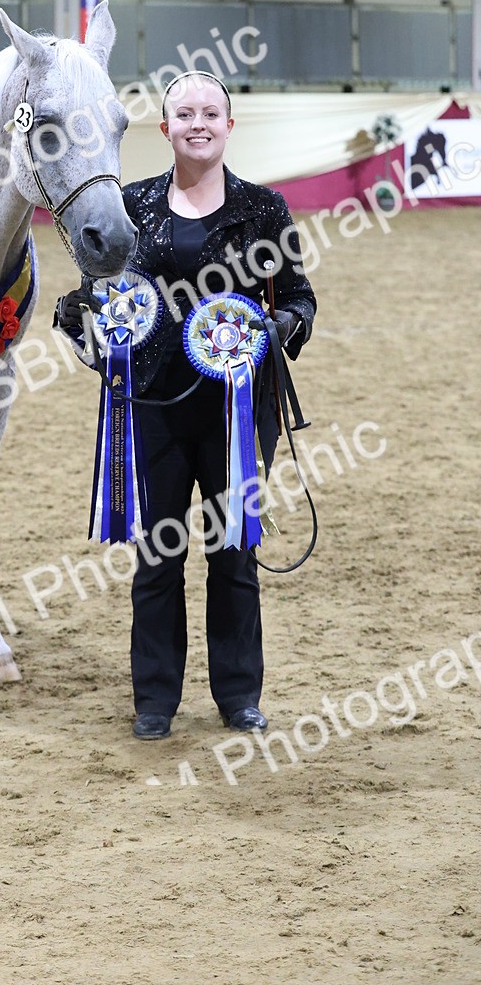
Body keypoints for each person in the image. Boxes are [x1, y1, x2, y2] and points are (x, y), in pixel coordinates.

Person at [55, 72, 316, 740]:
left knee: (234, 555)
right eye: (185, 113)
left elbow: (299, 297)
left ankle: (239, 695)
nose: (198, 123)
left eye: (210, 112)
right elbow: (101, 297)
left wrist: (279, 326)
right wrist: (79, 316)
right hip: (151, 406)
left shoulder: (265, 210)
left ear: (229, 125)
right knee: (156, 557)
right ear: (165, 128)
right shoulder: (130, 205)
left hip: (237, 413)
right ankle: (155, 700)